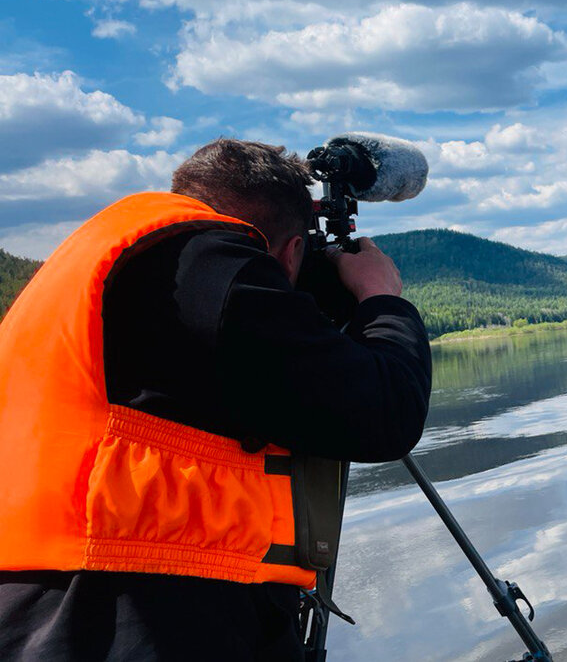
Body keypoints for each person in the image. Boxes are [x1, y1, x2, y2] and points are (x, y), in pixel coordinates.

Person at [0, 139, 433, 660]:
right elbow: (384, 414)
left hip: (41, 600)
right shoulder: (208, 254)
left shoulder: (111, 261)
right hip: (146, 609)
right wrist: (380, 297)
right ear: (291, 251)